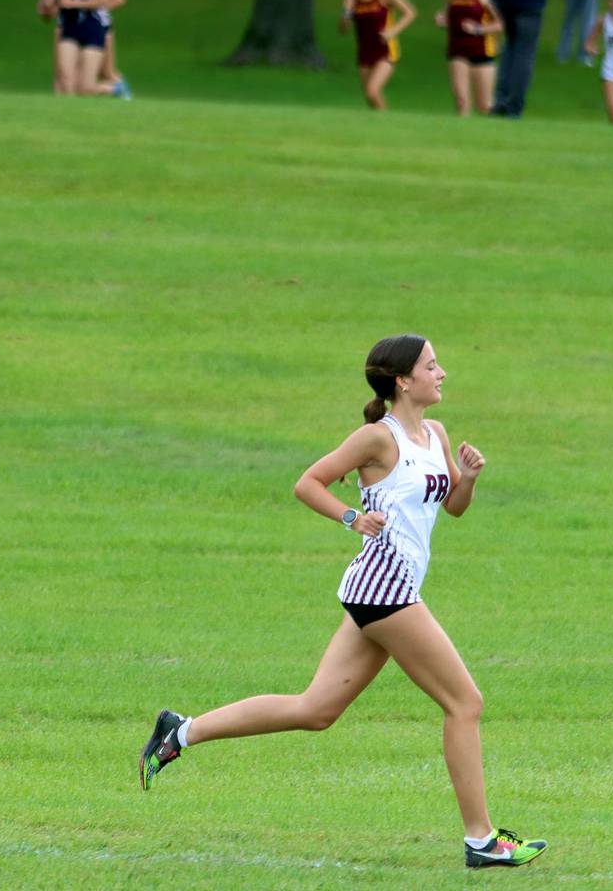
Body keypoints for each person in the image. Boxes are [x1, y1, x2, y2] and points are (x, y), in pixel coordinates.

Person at [138, 335, 550, 871]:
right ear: (403, 380)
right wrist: (352, 518)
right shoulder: (377, 439)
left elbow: (452, 508)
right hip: (387, 590)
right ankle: (480, 841)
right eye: (431, 365)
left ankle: (180, 730)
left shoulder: (437, 434)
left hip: (382, 590)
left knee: (316, 711)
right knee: (465, 703)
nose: (442, 372)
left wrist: (466, 479)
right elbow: (307, 483)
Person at [339, 0, 416, 111]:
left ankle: (387, 121)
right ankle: (381, 124)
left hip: (385, 50)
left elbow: (410, 13)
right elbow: (343, 30)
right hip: (364, 51)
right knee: (370, 97)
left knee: (372, 91)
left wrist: (392, 32)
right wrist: (346, 13)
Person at [435, 0, 504, 116]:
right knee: (461, 101)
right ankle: (460, 138)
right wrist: (443, 20)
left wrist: (478, 29)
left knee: (484, 106)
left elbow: (500, 24)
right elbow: (449, 16)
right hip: (457, 50)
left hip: (481, 51)